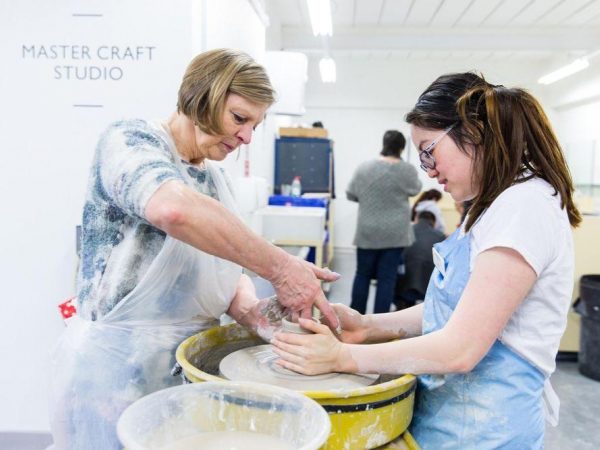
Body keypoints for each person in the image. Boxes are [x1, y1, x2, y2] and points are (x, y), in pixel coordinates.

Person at [49, 48, 339, 450]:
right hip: (114, 376)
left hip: (186, 373)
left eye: (255, 125)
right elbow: (172, 209)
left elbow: (222, 272)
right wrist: (282, 268)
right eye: (239, 118)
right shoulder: (130, 141)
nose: (247, 137)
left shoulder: (216, 179)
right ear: (201, 97)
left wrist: (255, 314)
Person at [272, 72, 581, 449]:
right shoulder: (489, 205)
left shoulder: (524, 207)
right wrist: (367, 327)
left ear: (473, 131)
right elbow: (450, 309)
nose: (428, 169)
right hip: (448, 422)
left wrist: (343, 357)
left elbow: (460, 348)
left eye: (428, 150)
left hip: (485, 434)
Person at [346, 130, 422, 314]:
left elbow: (351, 193)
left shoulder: (364, 168)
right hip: (395, 233)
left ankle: (354, 317)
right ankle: (378, 323)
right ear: (402, 148)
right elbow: (415, 189)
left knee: (362, 274)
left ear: (384, 144)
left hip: (368, 230)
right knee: (387, 279)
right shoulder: (407, 170)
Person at [394, 210, 445, 310]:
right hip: (427, 287)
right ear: (434, 223)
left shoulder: (405, 231)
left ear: (417, 219)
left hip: (402, 284)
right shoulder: (440, 236)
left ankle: (402, 305)